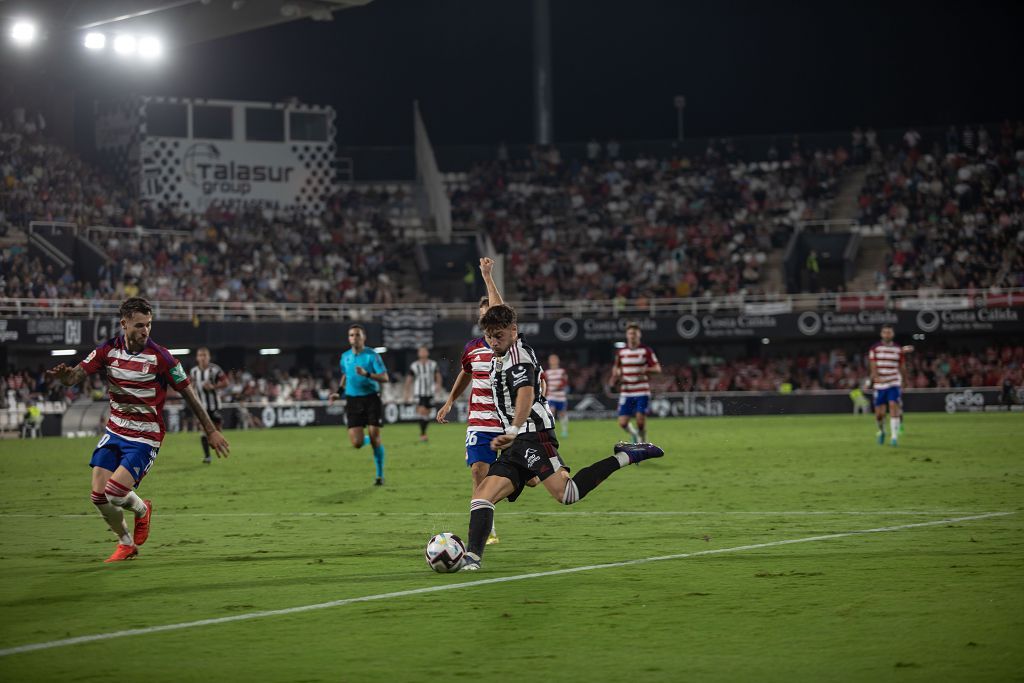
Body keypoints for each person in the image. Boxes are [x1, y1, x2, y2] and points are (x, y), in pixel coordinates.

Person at [460, 304, 665, 571]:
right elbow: (501, 309)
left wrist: (511, 430)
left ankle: (628, 454)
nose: (492, 341)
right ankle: (471, 559)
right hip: (515, 442)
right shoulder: (506, 340)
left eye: (497, 335)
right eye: (488, 336)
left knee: (568, 494)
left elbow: (525, 394)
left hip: (533, 436)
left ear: (513, 331)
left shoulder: (518, 357)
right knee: (481, 497)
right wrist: (488, 278)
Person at [46, 297, 230, 563]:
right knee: (98, 495)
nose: (145, 331)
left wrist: (210, 430)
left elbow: (189, 394)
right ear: (124, 324)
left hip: (146, 435)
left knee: (114, 492)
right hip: (116, 430)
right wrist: (66, 379)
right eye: (139, 325)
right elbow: (75, 376)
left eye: (149, 325)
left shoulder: (162, 357)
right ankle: (126, 543)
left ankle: (142, 510)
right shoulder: (107, 350)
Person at [437, 257, 507, 545]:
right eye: (484, 315)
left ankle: (494, 499)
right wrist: (450, 400)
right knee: (479, 474)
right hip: (480, 423)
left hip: (510, 422)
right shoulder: (473, 349)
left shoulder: (509, 346)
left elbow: (501, 309)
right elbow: (465, 374)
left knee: (530, 479)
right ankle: (485, 529)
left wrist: (487, 276)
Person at [329, 325, 389, 485]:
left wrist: (367, 374)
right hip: (353, 400)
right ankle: (367, 438)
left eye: (357, 335)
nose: (354, 337)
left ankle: (379, 475)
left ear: (364, 337)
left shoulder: (372, 356)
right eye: (351, 335)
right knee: (357, 443)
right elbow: (345, 375)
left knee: (376, 437)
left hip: (371, 398)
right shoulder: (345, 357)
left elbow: (385, 377)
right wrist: (338, 392)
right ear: (348, 338)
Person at [610, 323, 661, 444]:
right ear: (627, 335)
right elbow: (616, 367)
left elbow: (657, 369)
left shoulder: (646, 351)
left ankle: (643, 442)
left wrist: (646, 370)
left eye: (634, 333)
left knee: (640, 421)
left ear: (639, 335)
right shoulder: (621, 352)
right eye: (630, 333)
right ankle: (635, 435)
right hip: (626, 391)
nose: (632, 336)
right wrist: (614, 377)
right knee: (622, 423)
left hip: (641, 390)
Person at [868, 325, 906, 447]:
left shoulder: (898, 349)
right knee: (880, 414)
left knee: (893, 406)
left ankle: (894, 437)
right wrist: (875, 377)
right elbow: (873, 365)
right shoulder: (875, 348)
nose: (887, 334)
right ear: (881, 334)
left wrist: (904, 380)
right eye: (885, 332)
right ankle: (882, 431)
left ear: (893, 334)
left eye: (889, 332)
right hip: (880, 385)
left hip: (893, 382)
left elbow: (902, 366)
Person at [189, 347, 228, 463]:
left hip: (214, 406)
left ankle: (220, 448)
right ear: (197, 357)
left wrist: (213, 387)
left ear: (209, 357)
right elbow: (191, 386)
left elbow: (226, 382)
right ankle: (207, 456)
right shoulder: (194, 371)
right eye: (200, 355)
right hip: (201, 408)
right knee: (203, 431)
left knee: (217, 431)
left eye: (204, 355)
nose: (202, 358)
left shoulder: (215, 370)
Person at [404, 346, 442, 443]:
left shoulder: (433, 364)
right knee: (422, 411)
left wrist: (438, 386)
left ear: (427, 353)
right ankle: (423, 434)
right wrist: (407, 392)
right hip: (419, 393)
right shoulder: (414, 365)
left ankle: (423, 432)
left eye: (424, 351)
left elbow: (438, 376)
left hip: (430, 392)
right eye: (421, 351)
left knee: (427, 414)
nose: (423, 353)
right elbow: (409, 379)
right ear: (418, 353)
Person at [541, 354, 570, 437]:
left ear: (558, 360)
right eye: (551, 359)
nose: (553, 361)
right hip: (551, 396)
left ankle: (564, 431)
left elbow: (565, 382)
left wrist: (559, 386)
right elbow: (544, 383)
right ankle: (551, 432)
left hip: (560, 396)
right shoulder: (547, 372)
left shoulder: (562, 371)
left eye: (554, 359)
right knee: (551, 412)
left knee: (562, 413)